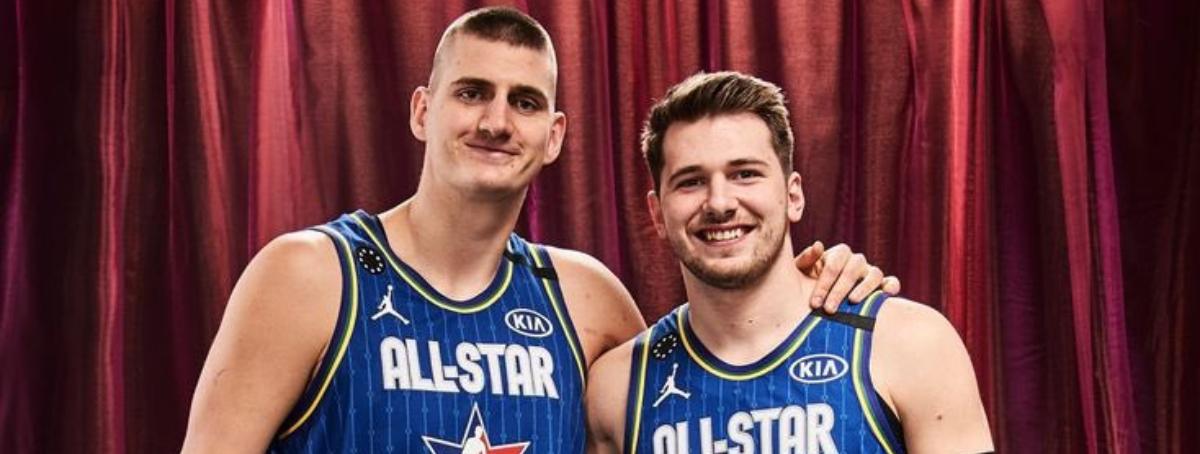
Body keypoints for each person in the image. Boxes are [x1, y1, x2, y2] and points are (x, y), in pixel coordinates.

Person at [180, 8, 897, 453]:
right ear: (423, 110)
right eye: (472, 93)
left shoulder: (585, 300)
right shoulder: (310, 275)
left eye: (524, 102)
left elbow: (720, 373)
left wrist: (813, 290)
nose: (496, 121)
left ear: (554, 136)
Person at [585, 72, 993, 454]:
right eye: (690, 181)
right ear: (657, 213)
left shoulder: (909, 344)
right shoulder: (618, 390)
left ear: (793, 196)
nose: (720, 203)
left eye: (745, 174)